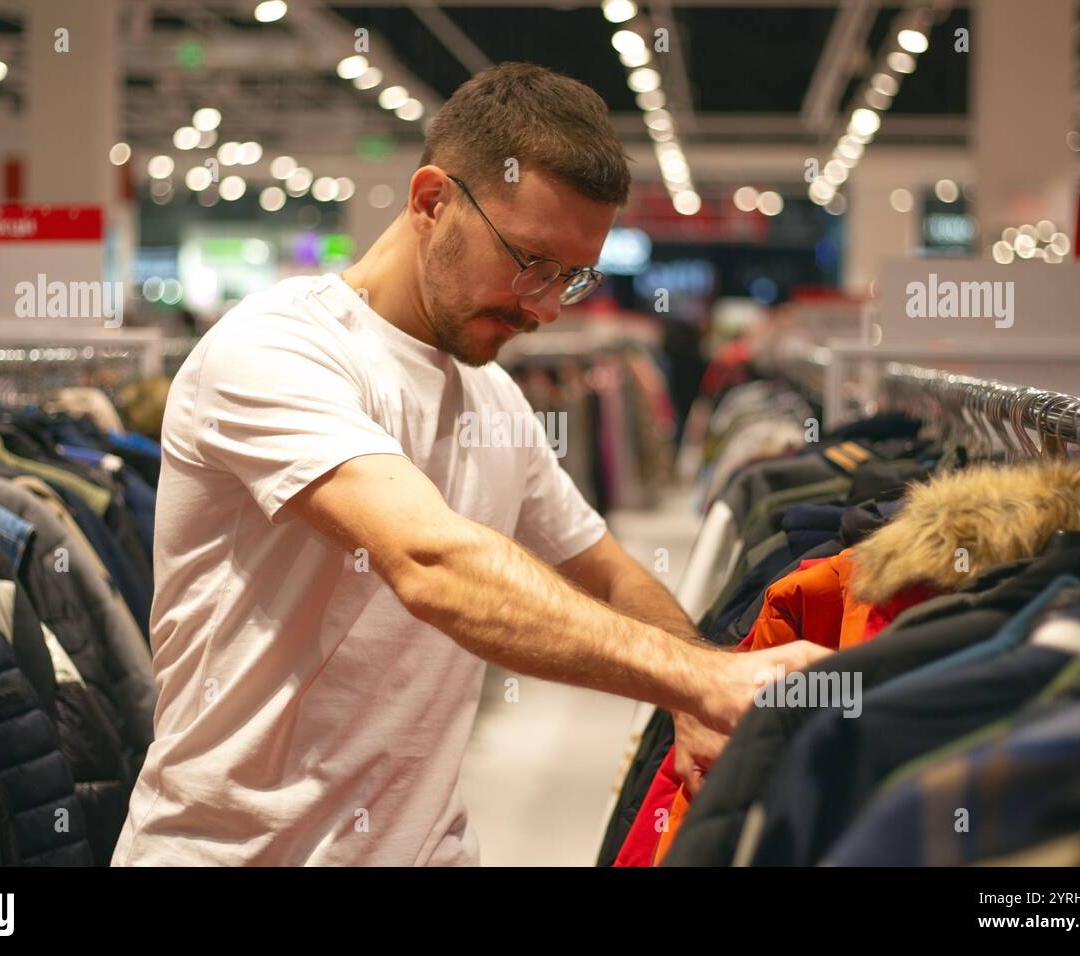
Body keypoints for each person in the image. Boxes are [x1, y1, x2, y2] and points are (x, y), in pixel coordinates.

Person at [112, 62, 829, 866]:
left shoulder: (494, 399)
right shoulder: (275, 349)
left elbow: (606, 572)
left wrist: (697, 682)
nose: (548, 307)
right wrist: (693, 682)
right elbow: (431, 562)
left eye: (572, 276)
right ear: (430, 202)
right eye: (531, 261)